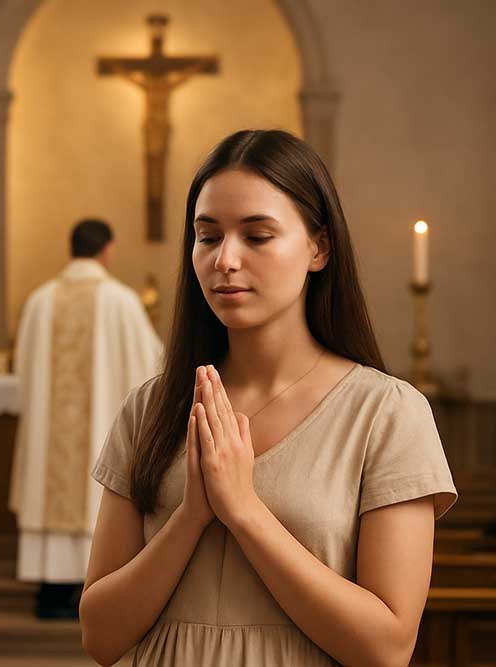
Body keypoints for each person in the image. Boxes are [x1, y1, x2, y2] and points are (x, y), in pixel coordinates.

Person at [80, 130, 458, 666]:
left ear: (318, 248)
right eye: (207, 237)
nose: (225, 260)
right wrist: (190, 516)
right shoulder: (151, 409)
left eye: (257, 236)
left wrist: (244, 512)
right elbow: (99, 638)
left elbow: (388, 649)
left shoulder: (386, 414)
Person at [10, 219, 163, 619]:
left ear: (71, 247)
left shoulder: (40, 301)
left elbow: (22, 368)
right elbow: (152, 364)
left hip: (50, 435)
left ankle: (49, 588)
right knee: (92, 493)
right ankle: (85, 586)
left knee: (53, 489)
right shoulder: (122, 301)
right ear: (107, 250)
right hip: (102, 428)